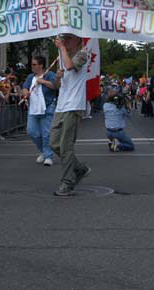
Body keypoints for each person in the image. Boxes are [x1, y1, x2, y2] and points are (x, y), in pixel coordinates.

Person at [50, 34, 91, 196]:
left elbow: (69, 66)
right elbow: (58, 84)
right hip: (61, 105)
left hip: (74, 106)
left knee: (66, 146)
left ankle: (67, 182)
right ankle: (79, 168)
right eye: (64, 38)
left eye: (69, 38)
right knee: (54, 143)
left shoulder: (83, 54)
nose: (65, 40)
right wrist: (57, 78)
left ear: (79, 41)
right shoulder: (62, 56)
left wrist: (61, 48)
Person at [23, 56, 58, 166]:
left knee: (46, 133)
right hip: (33, 107)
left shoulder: (50, 75)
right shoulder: (30, 77)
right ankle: (43, 150)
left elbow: (55, 86)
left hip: (47, 107)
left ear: (41, 65)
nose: (32, 66)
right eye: (32, 64)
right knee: (31, 131)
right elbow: (25, 87)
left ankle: (48, 156)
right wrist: (25, 93)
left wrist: (42, 81)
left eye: (34, 64)